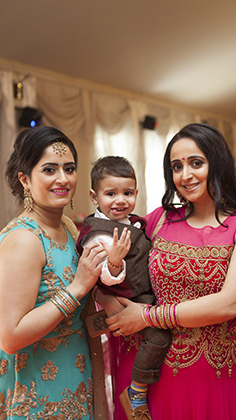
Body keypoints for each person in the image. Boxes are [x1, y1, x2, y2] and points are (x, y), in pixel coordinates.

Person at [105, 123, 236, 419]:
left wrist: (146, 316)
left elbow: (230, 303)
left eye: (196, 163)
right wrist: (109, 301)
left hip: (216, 375)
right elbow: (113, 264)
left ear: (217, 163)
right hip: (153, 369)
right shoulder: (160, 220)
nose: (185, 175)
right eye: (176, 166)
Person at [0, 126, 107, 419]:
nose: (62, 179)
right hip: (32, 391)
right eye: (49, 169)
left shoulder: (66, 226)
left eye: (69, 168)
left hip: (73, 374)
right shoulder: (25, 240)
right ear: (24, 179)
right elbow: (9, 336)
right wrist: (76, 288)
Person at [77, 156, 171, 420]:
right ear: (94, 196)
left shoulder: (132, 222)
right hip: (129, 297)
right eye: (111, 193)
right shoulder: (97, 234)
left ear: (136, 193)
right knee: (160, 337)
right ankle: (137, 389)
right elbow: (105, 277)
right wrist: (115, 261)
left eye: (127, 193)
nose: (120, 200)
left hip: (145, 293)